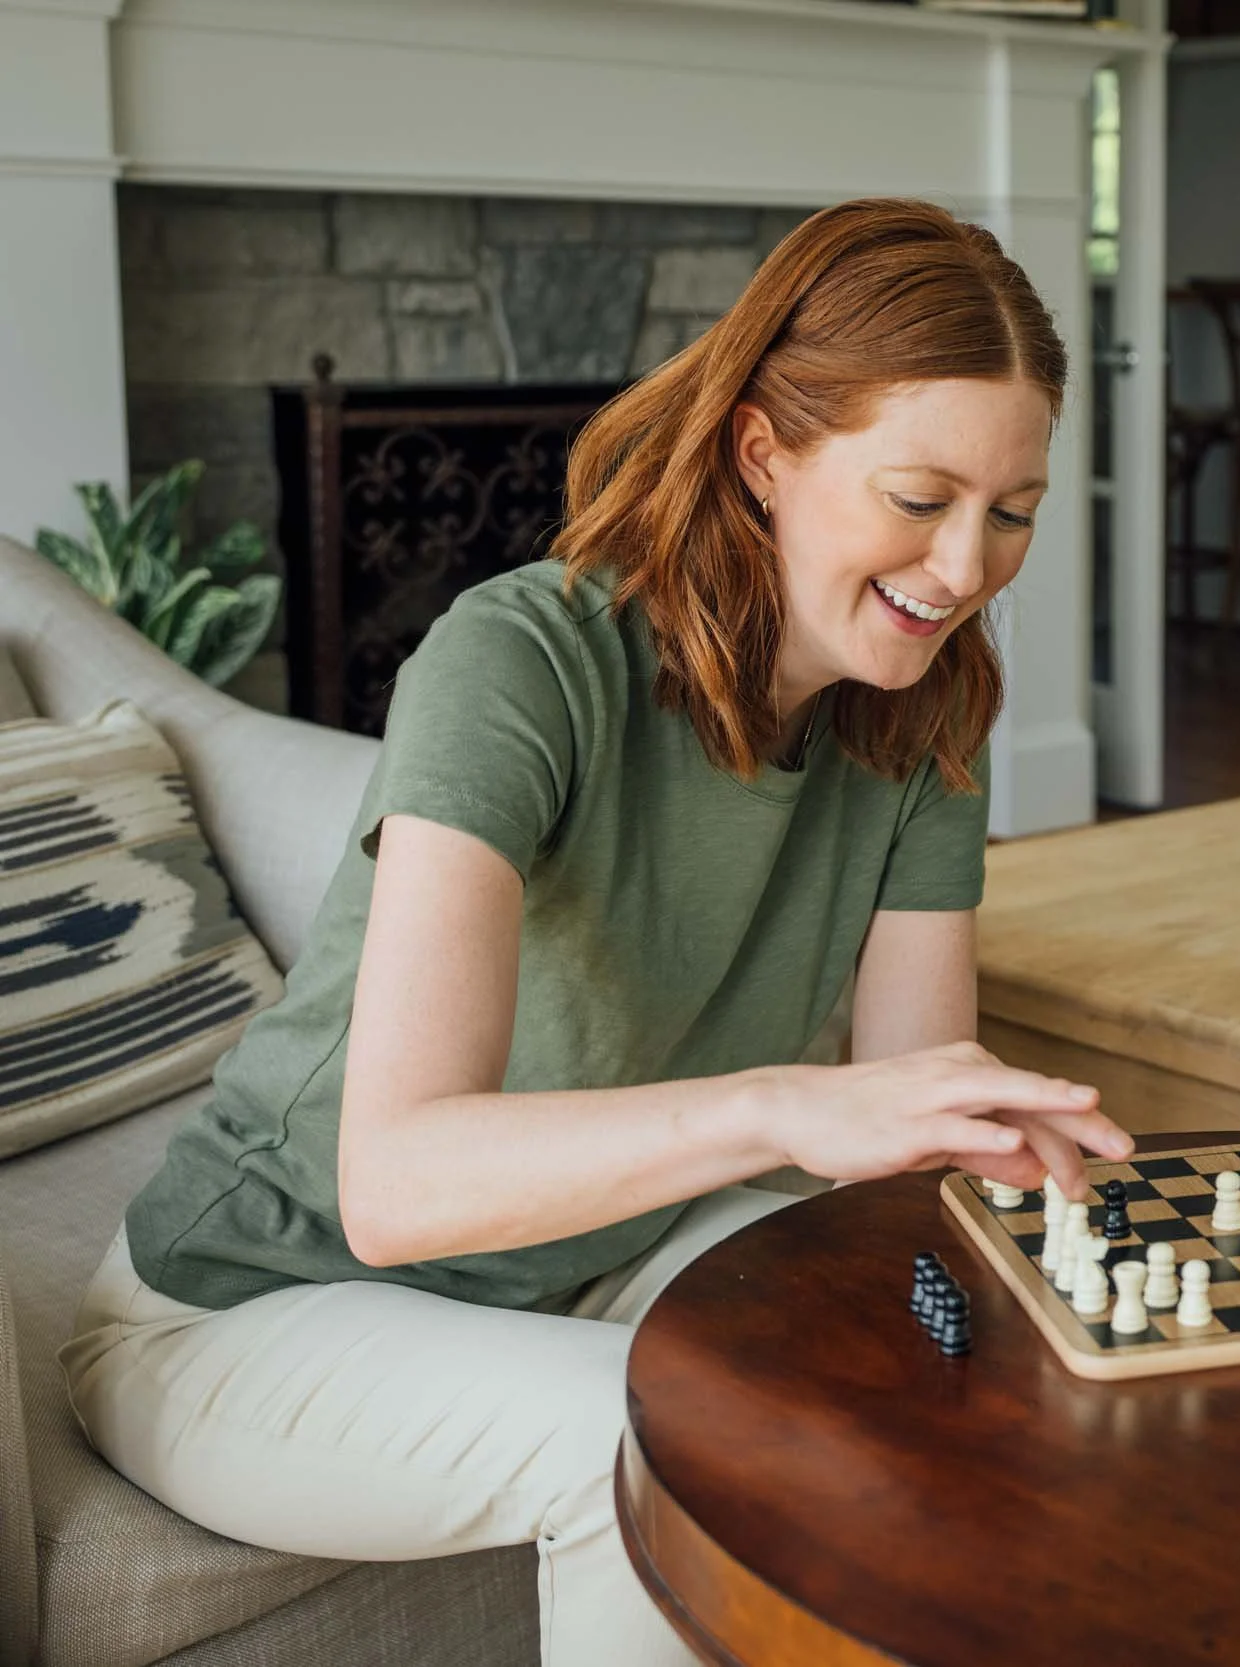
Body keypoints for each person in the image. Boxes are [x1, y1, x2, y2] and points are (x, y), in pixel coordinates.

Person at [60, 199, 1130, 1665]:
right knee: (654, 1438)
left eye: (1012, 510)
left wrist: (996, 1156)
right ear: (766, 454)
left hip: (593, 1250)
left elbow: (902, 1124)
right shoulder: (523, 659)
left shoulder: (930, 715)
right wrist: (785, 1102)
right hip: (257, 1296)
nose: (963, 568)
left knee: (931, 1363)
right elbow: (394, 1181)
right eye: (919, 496)